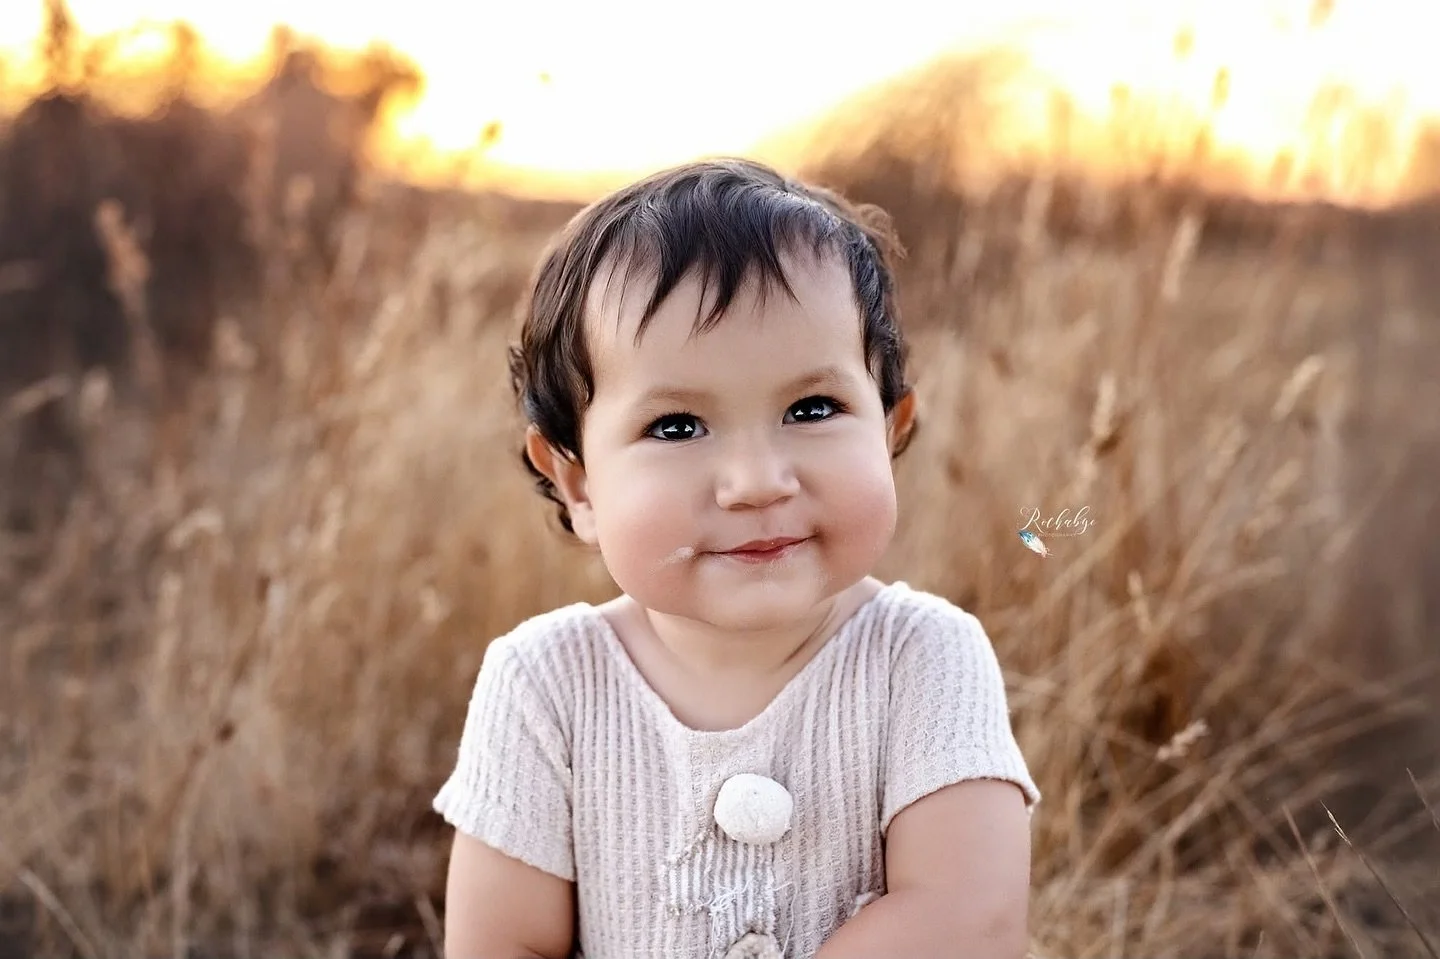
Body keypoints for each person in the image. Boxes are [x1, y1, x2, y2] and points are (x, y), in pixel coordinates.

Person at [433, 157, 1040, 959]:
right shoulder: (546, 686)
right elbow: (501, 944)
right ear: (577, 483)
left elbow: (967, 920)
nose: (756, 482)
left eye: (812, 408)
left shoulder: (924, 657)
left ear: (889, 431)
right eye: (678, 426)